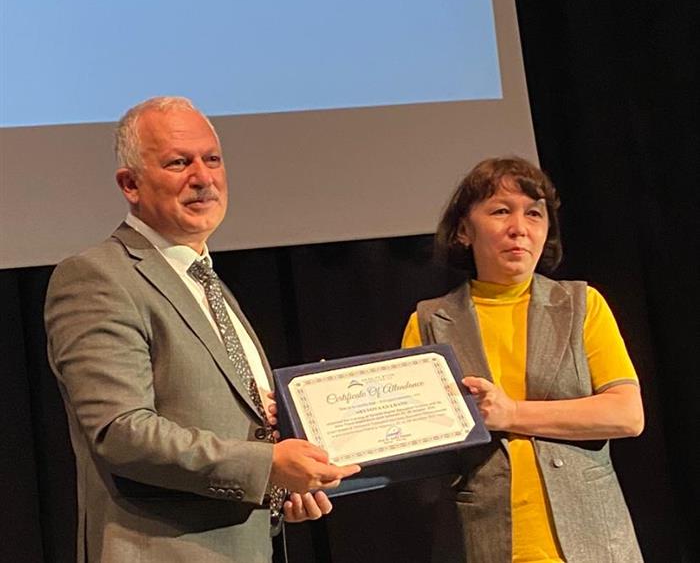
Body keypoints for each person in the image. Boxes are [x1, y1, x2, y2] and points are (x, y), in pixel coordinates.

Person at [44, 96, 360, 562]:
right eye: (179, 163)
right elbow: (121, 431)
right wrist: (267, 467)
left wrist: (279, 492)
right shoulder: (97, 277)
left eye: (212, 159)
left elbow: (236, 429)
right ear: (130, 184)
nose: (203, 177)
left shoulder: (205, 281)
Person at [402, 156, 644, 562]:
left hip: (592, 543)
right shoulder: (429, 322)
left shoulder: (582, 305)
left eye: (534, 213)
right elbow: (412, 437)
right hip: (483, 543)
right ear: (464, 230)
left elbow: (626, 415)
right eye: (501, 211)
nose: (519, 228)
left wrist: (511, 413)